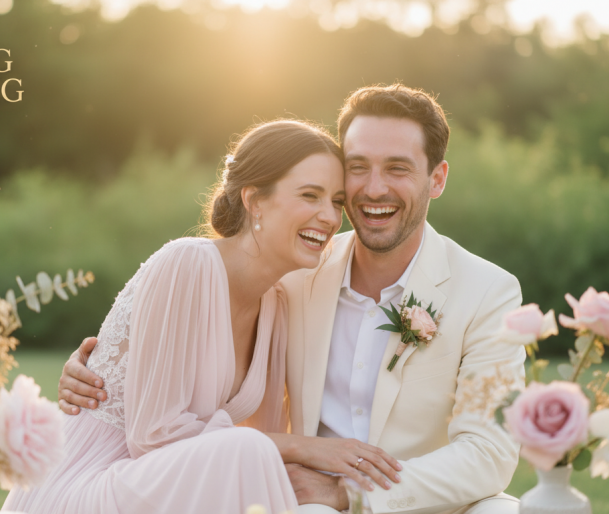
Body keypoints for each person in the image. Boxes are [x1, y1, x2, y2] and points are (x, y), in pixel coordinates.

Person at [60, 85, 526, 514]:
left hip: (411, 501)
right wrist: (102, 371)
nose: (373, 188)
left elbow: (489, 452)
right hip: (295, 500)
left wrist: (350, 494)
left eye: (397, 168)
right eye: (357, 168)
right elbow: (178, 396)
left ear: (437, 179)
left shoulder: (486, 291)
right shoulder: (296, 276)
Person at [3, 119, 401, 514]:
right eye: (310, 195)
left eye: (336, 202)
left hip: (163, 484)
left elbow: (258, 442)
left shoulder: (275, 304)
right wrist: (304, 448)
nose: (330, 217)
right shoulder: (187, 263)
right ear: (254, 201)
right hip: (89, 482)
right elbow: (153, 436)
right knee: (249, 450)